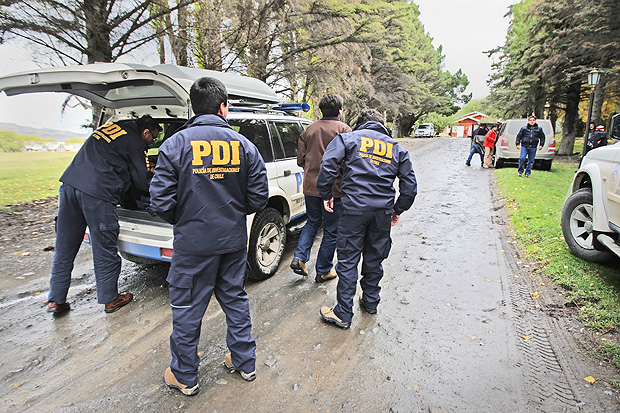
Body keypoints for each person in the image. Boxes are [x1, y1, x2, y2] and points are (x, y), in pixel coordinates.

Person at [150, 77, 268, 396]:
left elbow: (159, 201)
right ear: (222, 108)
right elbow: (259, 197)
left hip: (193, 244)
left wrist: (190, 219)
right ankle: (245, 362)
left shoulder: (175, 144)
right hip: (231, 241)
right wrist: (229, 213)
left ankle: (185, 375)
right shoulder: (244, 145)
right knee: (234, 299)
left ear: (193, 107)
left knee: (188, 307)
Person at [47, 115, 161, 315]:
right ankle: (110, 299)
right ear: (145, 132)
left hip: (70, 186)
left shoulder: (114, 128)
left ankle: (56, 299)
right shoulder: (135, 141)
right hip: (97, 193)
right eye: (154, 138)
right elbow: (142, 182)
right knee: (105, 244)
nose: (153, 143)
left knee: (65, 246)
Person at [317, 109, 417, 329]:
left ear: (360, 124)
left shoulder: (348, 139)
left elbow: (328, 164)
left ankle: (343, 312)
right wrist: (397, 209)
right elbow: (410, 187)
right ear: (381, 123)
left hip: (353, 210)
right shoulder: (397, 148)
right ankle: (370, 301)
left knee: (348, 259)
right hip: (381, 213)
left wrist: (326, 194)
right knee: (374, 257)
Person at [290, 94, 352, 282]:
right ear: (340, 111)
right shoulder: (344, 130)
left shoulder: (308, 129)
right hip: (334, 189)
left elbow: (300, 160)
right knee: (331, 229)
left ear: (321, 110)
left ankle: (300, 257)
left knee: (313, 221)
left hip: (310, 186)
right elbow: (350, 162)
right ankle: (324, 269)